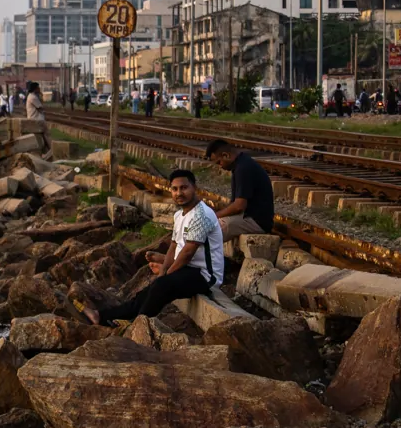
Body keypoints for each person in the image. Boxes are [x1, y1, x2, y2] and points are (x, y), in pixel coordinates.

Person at [76, 169, 223, 325]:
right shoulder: (179, 215)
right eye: (175, 189)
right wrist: (163, 273)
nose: (179, 193)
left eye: (184, 188)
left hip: (205, 275)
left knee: (161, 287)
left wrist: (166, 277)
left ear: (194, 188)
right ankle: (102, 316)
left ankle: (138, 325)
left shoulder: (202, 214)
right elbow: (174, 246)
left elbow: (187, 253)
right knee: (147, 292)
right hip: (188, 270)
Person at [203, 138, 275, 234]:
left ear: (226, 155)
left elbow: (239, 206)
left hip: (256, 222)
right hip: (249, 217)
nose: (220, 166)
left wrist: (215, 215)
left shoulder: (243, 168)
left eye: (219, 162)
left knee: (208, 232)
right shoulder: (241, 164)